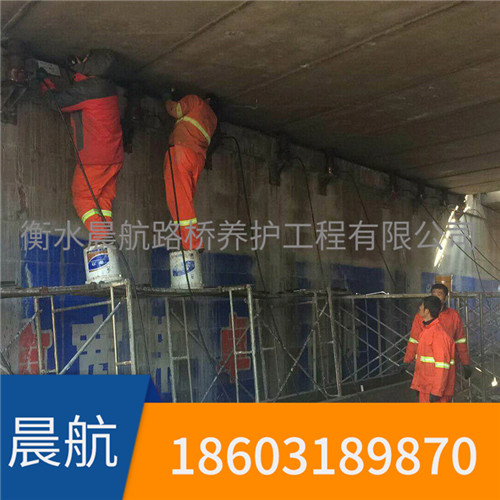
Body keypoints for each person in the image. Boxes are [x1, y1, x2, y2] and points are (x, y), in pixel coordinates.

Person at [40, 49, 124, 242]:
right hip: (113, 157)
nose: (83, 60)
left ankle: (104, 241)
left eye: (86, 59)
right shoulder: (107, 87)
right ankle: (106, 245)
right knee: (103, 202)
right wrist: (79, 71)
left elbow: (56, 102)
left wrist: (45, 83)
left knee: (83, 200)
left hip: (95, 159)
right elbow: (81, 91)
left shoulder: (88, 90)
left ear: (92, 66)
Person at [163, 93, 218, 251]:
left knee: (178, 199)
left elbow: (176, 110)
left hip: (181, 152)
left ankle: (192, 244)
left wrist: (166, 99)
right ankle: (187, 242)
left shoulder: (196, 101)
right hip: (197, 160)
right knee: (185, 199)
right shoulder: (213, 119)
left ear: (207, 100)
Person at [402, 283, 472, 401]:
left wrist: (465, 362)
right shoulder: (423, 321)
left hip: (438, 379)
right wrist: (407, 361)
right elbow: (414, 341)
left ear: (445, 297)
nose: (436, 296)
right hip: (425, 378)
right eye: (433, 293)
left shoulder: (449, 320)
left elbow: (459, 341)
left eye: (439, 294)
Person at [410, 296, 455, 403]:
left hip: (433, 391)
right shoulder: (427, 331)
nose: (419, 308)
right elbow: (422, 362)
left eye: (421, 306)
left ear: (427, 311)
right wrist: (418, 385)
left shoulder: (437, 334)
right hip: (426, 388)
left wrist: (436, 391)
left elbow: (442, 365)